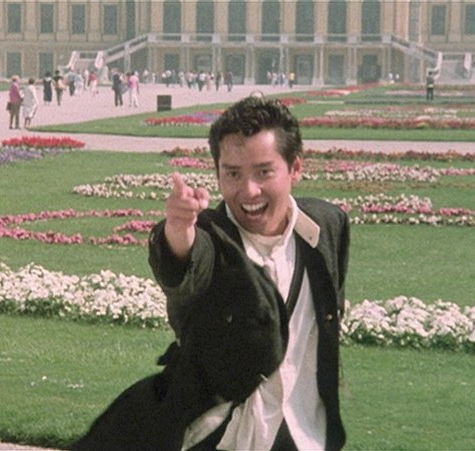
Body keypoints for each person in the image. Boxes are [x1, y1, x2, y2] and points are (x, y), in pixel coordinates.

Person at [148, 95, 349, 451]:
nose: (249, 190)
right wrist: (178, 228)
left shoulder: (326, 226)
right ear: (217, 173)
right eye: (233, 174)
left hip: (305, 434)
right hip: (224, 438)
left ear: (295, 168)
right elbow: (185, 264)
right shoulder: (211, 239)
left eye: (264, 172)